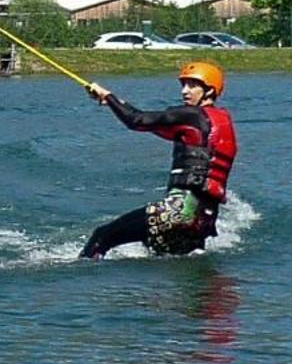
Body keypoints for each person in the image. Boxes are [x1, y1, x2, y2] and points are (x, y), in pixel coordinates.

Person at [79, 60, 236, 259]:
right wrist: (113, 103)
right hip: (202, 222)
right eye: (183, 85)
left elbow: (136, 120)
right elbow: (153, 126)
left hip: (177, 212)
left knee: (102, 236)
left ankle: (75, 281)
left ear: (210, 91)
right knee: (159, 257)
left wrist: (107, 96)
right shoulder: (219, 122)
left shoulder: (190, 115)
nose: (185, 92)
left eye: (193, 86)